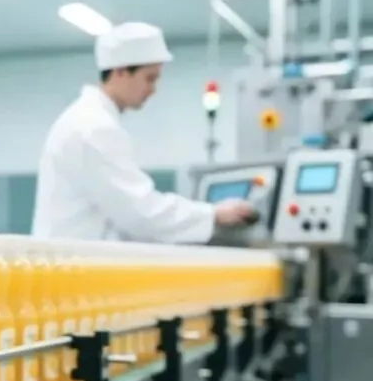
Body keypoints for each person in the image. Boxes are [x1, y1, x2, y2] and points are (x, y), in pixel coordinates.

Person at [31, 22, 255, 243]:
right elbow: (141, 212)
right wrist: (214, 214)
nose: (153, 89)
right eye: (149, 78)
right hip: (76, 262)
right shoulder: (94, 127)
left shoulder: (85, 118)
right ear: (120, 72)